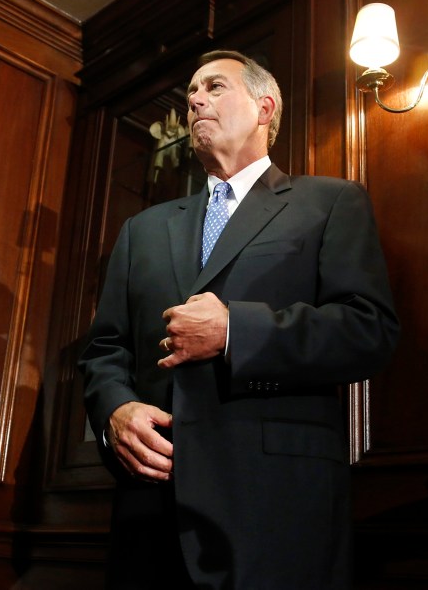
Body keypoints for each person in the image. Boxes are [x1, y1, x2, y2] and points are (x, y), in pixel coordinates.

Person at [80, 50, 400, 589]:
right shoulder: (142, 230)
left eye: (214, 87)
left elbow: (369, 331)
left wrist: (235, 332)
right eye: (191, 93)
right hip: (153, 508)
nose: (195, 100)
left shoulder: (329, 203)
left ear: (264, 108)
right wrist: (116, 410)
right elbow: (105, 349)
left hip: (277, 506)